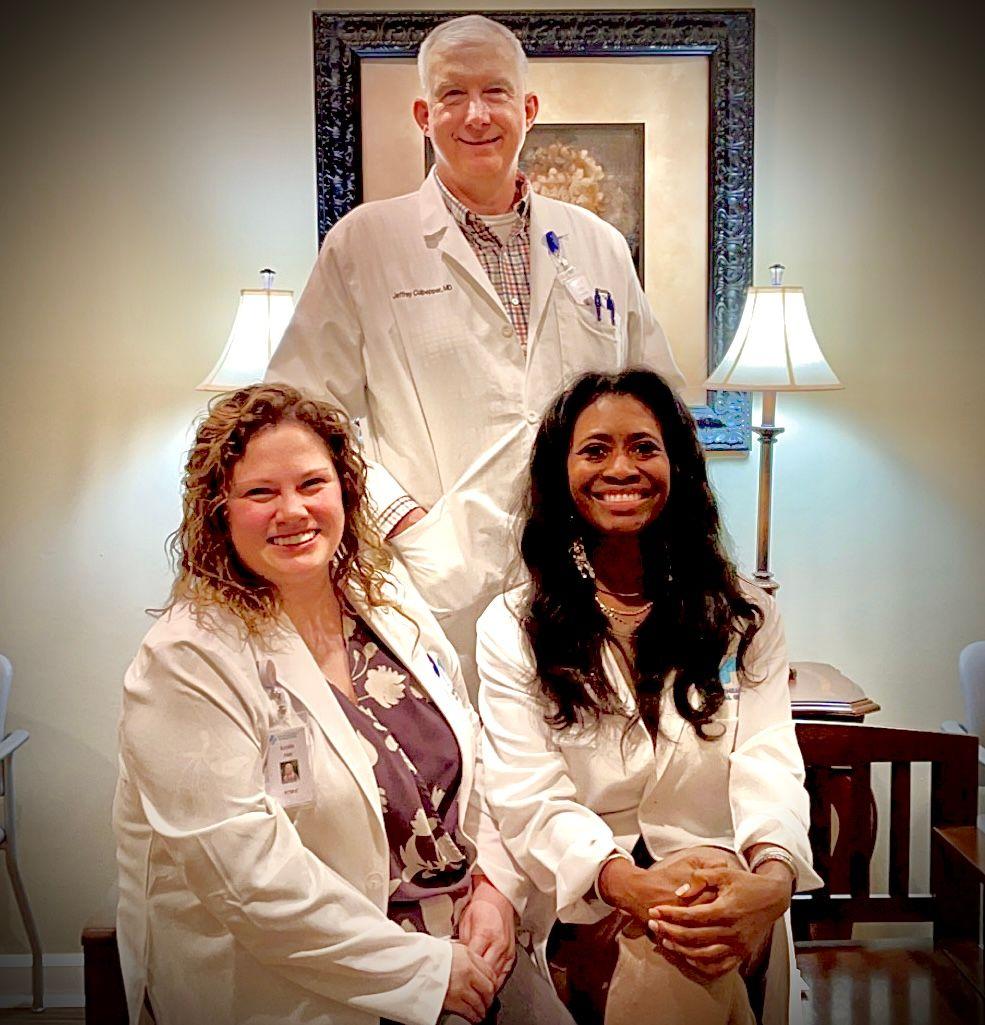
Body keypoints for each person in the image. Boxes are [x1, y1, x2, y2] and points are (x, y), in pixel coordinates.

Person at [112, 384, 573, 1025]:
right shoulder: (187, 660)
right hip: (309, 988)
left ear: (345, 491)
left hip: (471, 945)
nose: (293, 511)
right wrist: (421, 972)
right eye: (260, 493)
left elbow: (477, 764)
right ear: (218, 511)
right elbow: (248, 882)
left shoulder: (387, 603)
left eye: (311, 484)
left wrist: (495, 890)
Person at [266, 14, 682, 692]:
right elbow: (300, 415)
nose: (476, 114)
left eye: (495, 91)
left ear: (528, 109)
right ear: (423, 114)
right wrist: (401, 516)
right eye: (453, 95)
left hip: (588, 566)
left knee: (586, 769)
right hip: (436, 577)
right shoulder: (366, 243)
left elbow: (656, 402)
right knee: (450, 774)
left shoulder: (597, 245)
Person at [475, 369, 823, 1025]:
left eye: (642, 446)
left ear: (677, 465)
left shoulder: (745, 615)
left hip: (725, 877)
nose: (620, 467)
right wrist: (627, 884)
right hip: (587, 890)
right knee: (670, 949)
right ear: (562, 472)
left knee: (684, 925)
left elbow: (768, 759)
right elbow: (527, 792)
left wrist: (771, 884)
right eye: (594, 449)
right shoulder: (511, 624)